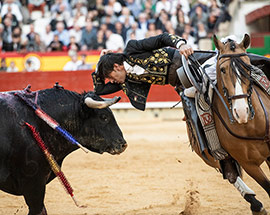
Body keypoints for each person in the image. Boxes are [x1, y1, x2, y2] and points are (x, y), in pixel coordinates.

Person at [92, 32, 237, 181]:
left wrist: (181, 44)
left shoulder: (132, 49)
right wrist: (100, 63)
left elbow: (161, 39)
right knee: (194, 119)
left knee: (231, 71)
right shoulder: (127, 81)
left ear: (117, 67)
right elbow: (99, 90)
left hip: (189, 62)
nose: (112, 81)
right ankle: (223, 158)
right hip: (182, 84)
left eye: (110, 77)